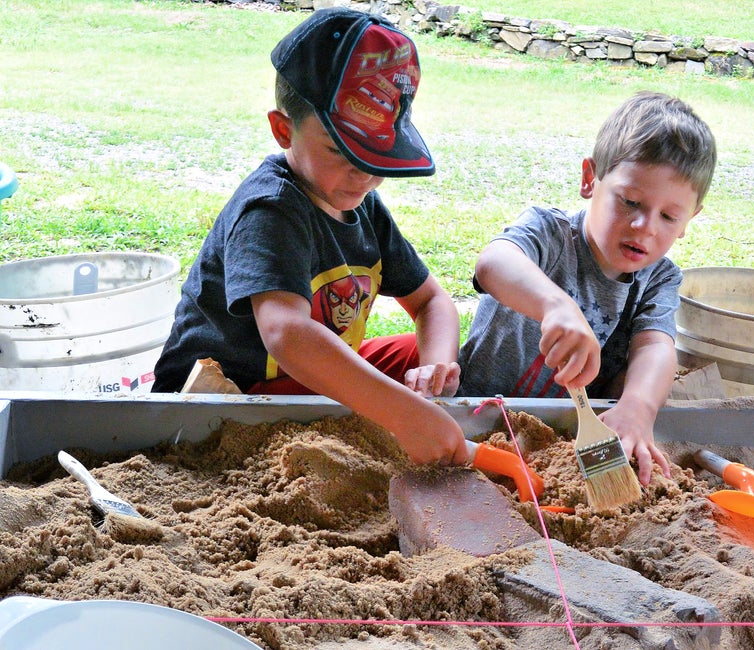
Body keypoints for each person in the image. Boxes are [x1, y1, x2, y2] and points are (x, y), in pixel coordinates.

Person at [153, 8, 467, 467]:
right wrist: (403, 414)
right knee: (395, 399)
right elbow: (287, 334)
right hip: (225, 398)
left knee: (414, 354)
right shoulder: (270, 207)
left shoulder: (361, 205)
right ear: (284, 129)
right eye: (341, 151)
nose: (363, 175)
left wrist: (434, 368)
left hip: (299, 383)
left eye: (378, 156)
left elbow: (431, 302)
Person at [457, 91, 717, 484]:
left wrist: (638, 408)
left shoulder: (658, 277)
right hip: (477, 415)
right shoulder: (550, 232)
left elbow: (655, 346)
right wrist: (555, 305)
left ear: (688, 221)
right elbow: (494, 263)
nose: (645, 226)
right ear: (589, 179)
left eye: (668, 216)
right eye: (630, 202)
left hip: (567, 434)